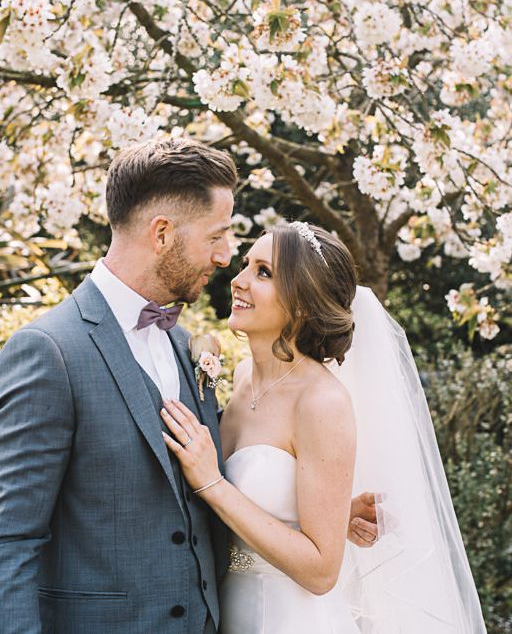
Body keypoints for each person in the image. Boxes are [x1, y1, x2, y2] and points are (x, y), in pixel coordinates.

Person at [0, 138, 377, 634]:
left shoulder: (185, 347)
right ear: (162, 234)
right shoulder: (49, 351)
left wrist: (311, 514)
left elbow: (192, 495)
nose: (226, 259)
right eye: (217, 237)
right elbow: (11, 540)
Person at [160, 223, 487, 632]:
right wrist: (331, 515)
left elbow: (320, 571)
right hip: (225, 611)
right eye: (246, 265)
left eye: (263, 272)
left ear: (302, 303)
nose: (239, 281)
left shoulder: (321, 401)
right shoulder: (243, 376)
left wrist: (213, 484)